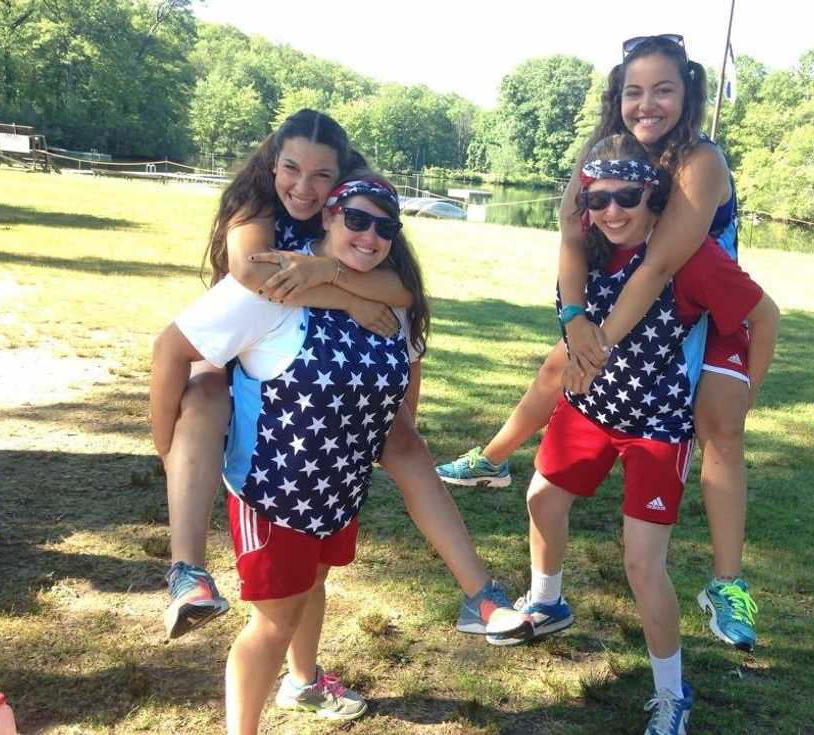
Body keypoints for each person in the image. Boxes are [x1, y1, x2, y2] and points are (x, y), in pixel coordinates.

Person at [437, 34, 766, 652]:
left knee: (721, 427)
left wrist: (598, 340)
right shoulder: (606, 153)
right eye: (634, 91)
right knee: (556, 370)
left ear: (687, 92)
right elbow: (571, 232)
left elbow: (661, 265)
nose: (647, 105)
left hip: (702, 304)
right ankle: (495, 460)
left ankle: (727, 582)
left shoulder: (699, 160)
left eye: (663, 90)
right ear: (617, 96)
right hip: (640, 304)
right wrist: (574, 320)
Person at [161, 109, 531, 646]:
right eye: (292, 169)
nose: (304, 188)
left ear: (340, 178)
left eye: (321, 175)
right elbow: (251, 274)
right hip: (240, 337)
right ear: (273, 162)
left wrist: (332, 272)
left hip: (309, 346)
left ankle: (480, 595)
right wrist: (344, 298)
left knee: (406, 442)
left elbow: (403, 291)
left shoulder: (356, 216)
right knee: (202, 397)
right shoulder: (257, 200)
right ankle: (187, 569)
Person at [503, 134, 778, 735]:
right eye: (597, 199)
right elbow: (570, 261)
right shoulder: (590, 245)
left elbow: (764, 315)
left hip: (657, 425)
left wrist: (747, 393)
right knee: (542, 498)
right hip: (590, 408)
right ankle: (547, 602)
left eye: (626, 197)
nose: (612, 211)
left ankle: (671, 694)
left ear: (654, 197)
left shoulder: (690, 257)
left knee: (642, 564)